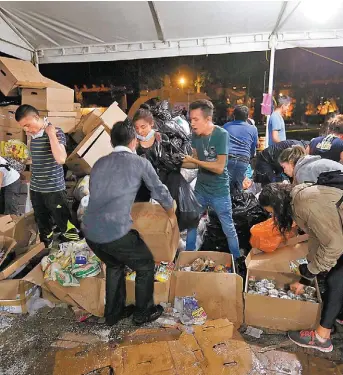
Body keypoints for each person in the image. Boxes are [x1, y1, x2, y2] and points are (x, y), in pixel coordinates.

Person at [82, 119, 176, 326]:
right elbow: (160, 191)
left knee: (115, 264)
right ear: (134, 140)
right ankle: (143, 313)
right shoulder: (140, 163)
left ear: (111, 141)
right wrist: (171, 213)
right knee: (144, 264)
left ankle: (114, 313)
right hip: (113, 232)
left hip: (90, 232)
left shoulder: (99, 163)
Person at [259, 183, 343, 353]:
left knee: (336, 280)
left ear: (278, 205)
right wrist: (311, 265)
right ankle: (338, 315)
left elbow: (334, 246)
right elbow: (316, 236)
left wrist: (309, 275)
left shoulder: (304, 204)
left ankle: (321, 337)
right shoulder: (297, 199)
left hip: (338, 241)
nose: (273, 216)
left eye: (272, 212)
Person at [182, 99, 240, 259]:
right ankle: (187, 258)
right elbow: (193, 161)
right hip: (201, 189)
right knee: (192, 224)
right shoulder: (195, 136)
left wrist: (194, 161)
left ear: (208, 119)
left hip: (219, 191)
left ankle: (237, 260)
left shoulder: (221, 135)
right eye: (190, 119)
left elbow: (219, 167)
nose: (192, 124)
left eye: (196, 119)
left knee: (228, 227)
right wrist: (176, 162)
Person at [15, 105, 79, 248]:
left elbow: (61, 159)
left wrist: (50, 134)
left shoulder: (56, 132)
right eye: (23, 127)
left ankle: (73, 248)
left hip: (54, 189)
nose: (26, 129)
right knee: (42, 221)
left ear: (36, 118)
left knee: (63, 221)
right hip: (37, 188)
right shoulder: (33, 136)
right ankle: (46, 246)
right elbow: (38, 159)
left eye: (27, 125)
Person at [223, 105, 258, 192]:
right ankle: (238, 203)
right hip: (243, 160)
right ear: (247, 117)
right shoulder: (253, 129)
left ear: (234, 116)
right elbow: (253, 148)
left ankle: (227, 204)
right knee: (239, 186)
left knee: (226, 186)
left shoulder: (226, 126)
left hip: (228, 159)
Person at [278, 145, 343, 184]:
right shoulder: (309, 164)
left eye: (284, 167)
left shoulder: (302, 172)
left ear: (291, 161)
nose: (284, 171)